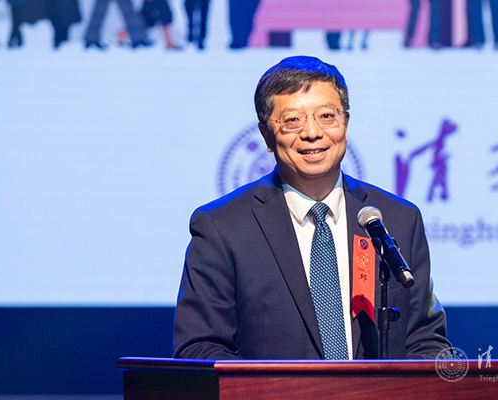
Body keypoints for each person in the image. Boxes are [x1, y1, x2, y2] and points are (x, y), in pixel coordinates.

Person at [173, 56, 450, 360]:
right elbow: (200, 350)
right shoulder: (222, 227)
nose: (312, 132)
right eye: (292, 120)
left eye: (327, 116)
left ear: (345, 123)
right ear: (266, 134)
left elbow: (427, 343)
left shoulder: (398, 219)